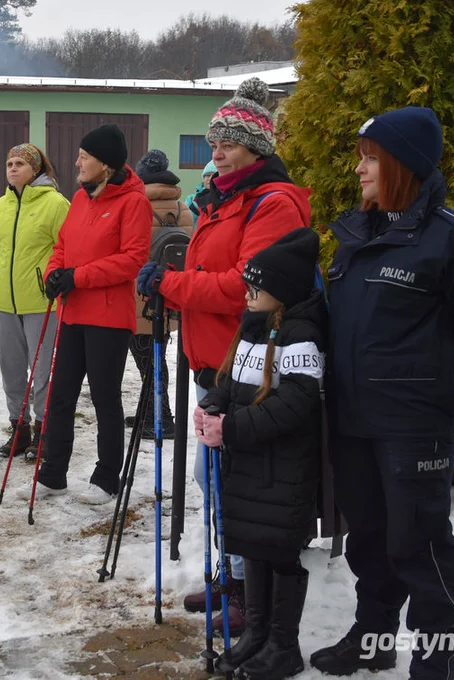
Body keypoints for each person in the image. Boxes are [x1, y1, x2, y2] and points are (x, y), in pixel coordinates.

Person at [310, 107, 454, 680]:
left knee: (418, 544)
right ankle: (373, 641)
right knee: (369, 544)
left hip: (413, 428)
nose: (359, 169)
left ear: (401, 164)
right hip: (353, 421)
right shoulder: (356, 235)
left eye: (370, 157)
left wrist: (445, 400)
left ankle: (437, 659)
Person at [138, 78, 312, 635]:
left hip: (249, 366)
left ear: (258, 146)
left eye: (229, 142)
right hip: (212, 360)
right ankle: (234, 576)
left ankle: (246, 588)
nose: (217, 151)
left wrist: (172, 286)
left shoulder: (273, 203)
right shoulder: (221, 197)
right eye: (214, 141)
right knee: (216, 474)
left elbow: (248, 288)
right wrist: (174, 281)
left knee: (229, 479)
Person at [196, 228, 325, 679]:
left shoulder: (302, 334)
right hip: (249, 465)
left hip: (283, 469)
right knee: (251, 544)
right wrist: (215, 403)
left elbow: (294, 403)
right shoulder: (253, 323)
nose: (247, 293)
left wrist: (231, 427)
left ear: (283, 291)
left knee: (280, 551)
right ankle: (256, 633)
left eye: (256, 286)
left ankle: (283, 646)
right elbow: (234, 383)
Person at [19, 123, 152, 505]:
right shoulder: (80, 199)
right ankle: (53, 472)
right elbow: (62, 244)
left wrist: (79, 276)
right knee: (61, 394)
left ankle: (107, 477)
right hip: (73, 311)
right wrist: (54, 273)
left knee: (105, 398)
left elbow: (132, 260)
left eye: (85, 156)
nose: (76, 162)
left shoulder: (133, 202)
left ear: (105, 164)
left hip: (109, 317)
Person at [0, 143, 70, 460]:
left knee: (42, 371)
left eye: (20, 163)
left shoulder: (56, 204)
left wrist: (52, 281)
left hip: (41, 302)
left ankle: (44, 430)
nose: (12, 168)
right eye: (9, 163)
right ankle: (19, 427)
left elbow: (65, 250)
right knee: (11, 370)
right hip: (6, 301)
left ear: (36, 169)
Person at [128, 148, 194, 439]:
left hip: (141, 293)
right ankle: (150, 412)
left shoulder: (137, 204)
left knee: (148, 360)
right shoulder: (183, 208)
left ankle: (161, 419)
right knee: (156, 355)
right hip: (170, 292)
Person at [184, 160, 217, 226]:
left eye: (214, 176)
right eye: (207, 175)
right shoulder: (191, 199)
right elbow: (184, 221)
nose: (210, 178)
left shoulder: (223, 198)